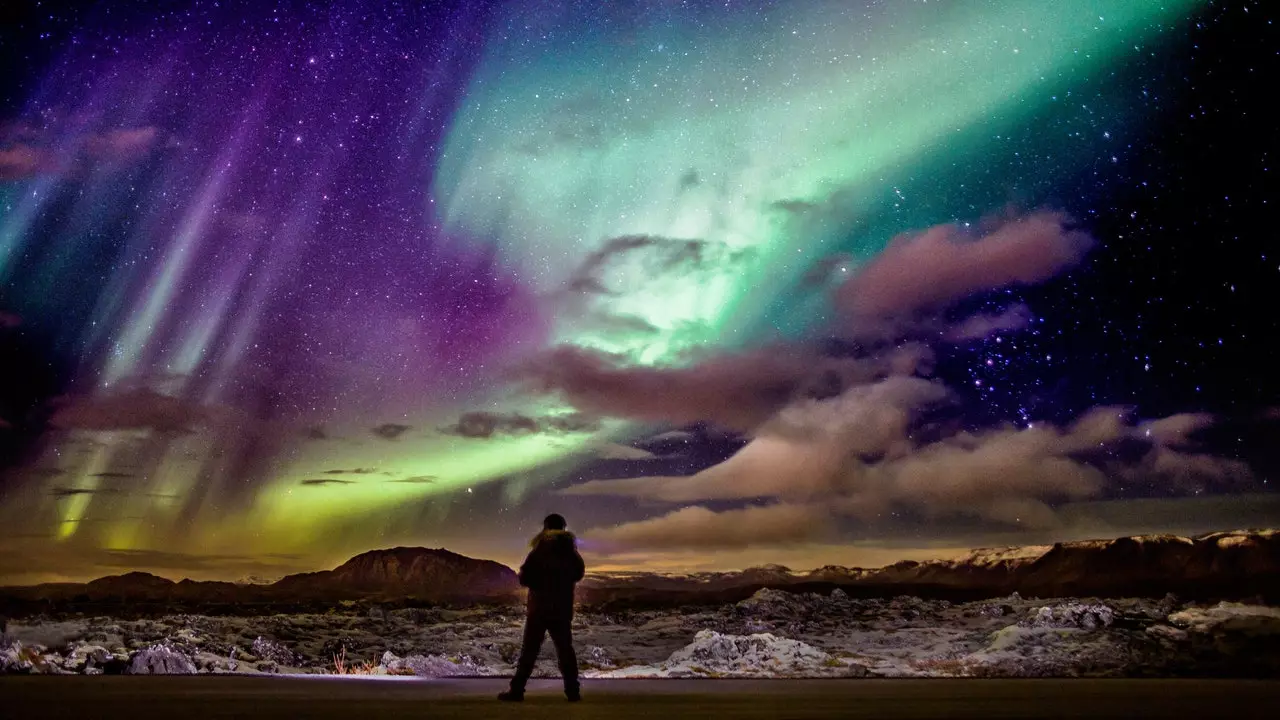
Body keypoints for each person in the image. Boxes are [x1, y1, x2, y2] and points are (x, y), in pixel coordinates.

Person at [498, 513, 586, 702]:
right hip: (562, 609)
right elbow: (579, 573)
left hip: (539, 609)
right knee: (565, 650)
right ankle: (573, 692)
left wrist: (539, 584)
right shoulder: (571, 551)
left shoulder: (539, 550)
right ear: (564, 528)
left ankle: (517, 691)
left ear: (545, 528)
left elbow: (524, 577)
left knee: (529, 650)